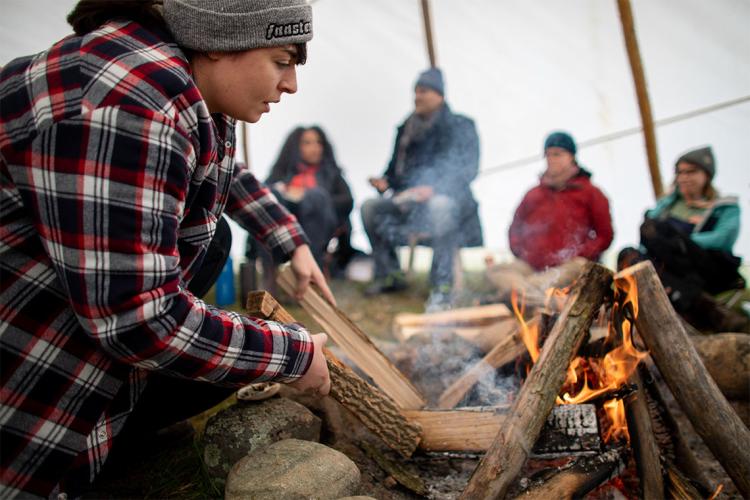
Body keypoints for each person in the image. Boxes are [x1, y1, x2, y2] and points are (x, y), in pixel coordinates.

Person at [0, 1, 335, 497]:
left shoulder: (179, 81)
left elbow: (220, 168)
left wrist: (290, 240)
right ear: (219, 42)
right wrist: (292, 352)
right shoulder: (134, 105)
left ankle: (120, 425)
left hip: (79, 318)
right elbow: (139, 320)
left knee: (213, 236)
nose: (291, 85)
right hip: (25, 396)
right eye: (282, 61)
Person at [361, 67, 482, 311]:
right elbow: (396, 172)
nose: (417, 96)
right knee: (369, 207)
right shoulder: (406, 129)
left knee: (441, 206)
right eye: (415, 91)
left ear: (439, 95)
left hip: (450, 202)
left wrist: (435, 188)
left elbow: (468, 169)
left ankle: (442, 285)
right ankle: (389, 275)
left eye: (423, 91)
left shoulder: (461, 126)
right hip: (409, 204)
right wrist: (385, 182)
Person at [618, 146, 747, 332]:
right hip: (671, 270)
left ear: (707, 175)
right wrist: (669, 201)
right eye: (680, 172)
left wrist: (684, 239)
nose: (684, 177)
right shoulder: (669, 204)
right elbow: (648, 232)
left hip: (705, 268)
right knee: (629, 255)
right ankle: (702, 307)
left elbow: (722, 239)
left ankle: (698, 306)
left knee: (662, 229)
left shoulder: (724, 208)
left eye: (691, 172)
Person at [488, 131, 613, 303]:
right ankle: (535, 299)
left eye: (557, 154)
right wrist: (523, 253)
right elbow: (515, 228)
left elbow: (604, 235)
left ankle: (522, 296)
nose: (552, 159)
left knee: (574, 270)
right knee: (496, 271)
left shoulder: (590, 193)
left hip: (568, 266)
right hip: (532, 267)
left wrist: (580, 253)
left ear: (571, 157)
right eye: (548, 155)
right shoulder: (533, 194)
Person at [263, 125, 357, 271]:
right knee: (271, 194)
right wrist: (287, 193)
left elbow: (347, 201)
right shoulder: (282, 173)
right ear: (295, 147)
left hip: (321, 223)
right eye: (307, 143)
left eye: (318, 143)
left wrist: (308, 197)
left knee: (315, 197)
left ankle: (311, 267)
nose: (315, 148)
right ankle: (270, 274)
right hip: (286, 225)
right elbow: (262, 194)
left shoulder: (332, 174)